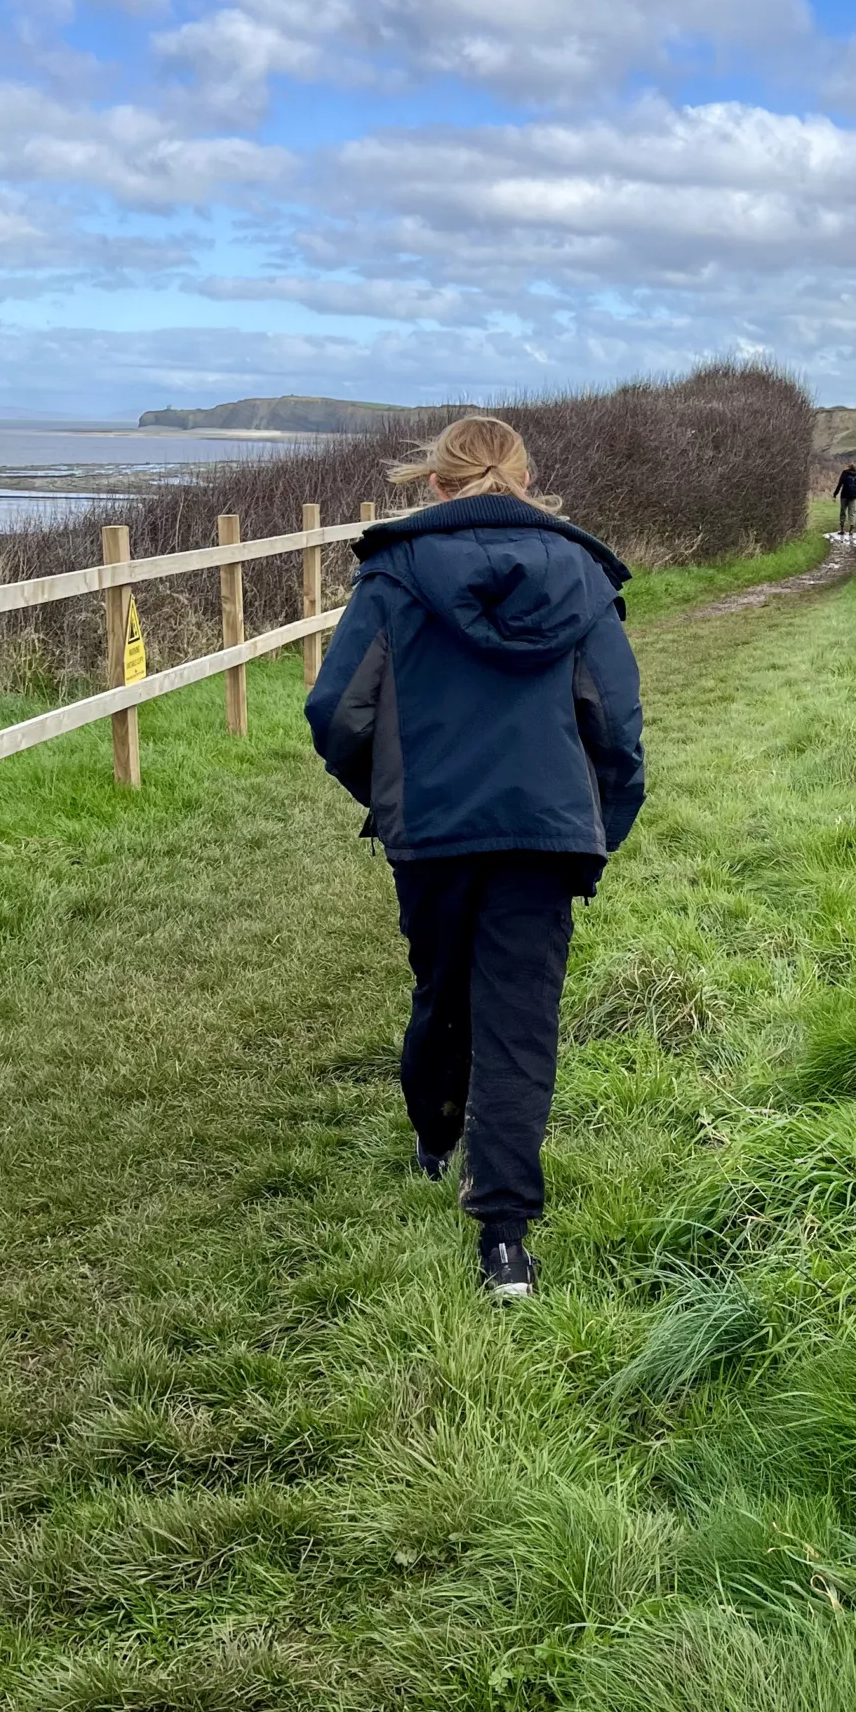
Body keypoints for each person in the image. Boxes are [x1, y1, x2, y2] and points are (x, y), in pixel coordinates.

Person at [305, 415, 645, 1299]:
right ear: (526, 481)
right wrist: (600, 824)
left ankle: (434, 1136)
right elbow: (616, 725)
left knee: (441, 988)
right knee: (519, 1022)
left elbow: (337, 713)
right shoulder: (582, 577)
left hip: (434, 832)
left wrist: (390, 798)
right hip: (545, 831)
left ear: (435, 485)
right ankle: (504, 1243)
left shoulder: (393, 575)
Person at [833, 459, 856, 538]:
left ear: (848, 467)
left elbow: (840, 484)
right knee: (852, 512)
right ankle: (851, 530)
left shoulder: (844, 473)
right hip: (853, 496)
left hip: (844, 495)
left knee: (843, 511)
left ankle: (842, 529)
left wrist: (835, 494)